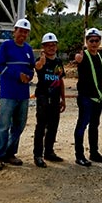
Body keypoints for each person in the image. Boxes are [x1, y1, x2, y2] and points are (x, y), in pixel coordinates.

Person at [0, 18, 35, 171]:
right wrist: (17, 75)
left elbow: (32, 69)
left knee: (19, 125)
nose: (22, 34)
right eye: (20, 31)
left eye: (25, 32)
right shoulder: (6, 46)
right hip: (8, 93)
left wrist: (29, 76)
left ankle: (10, 153)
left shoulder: (28, 50)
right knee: (4, 126)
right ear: (14, 31)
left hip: (23, 94)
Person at [73, 27, 102, 167]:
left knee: (94, 126)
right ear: (86, 42)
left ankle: (94, 152)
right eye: (91, 40)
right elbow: (78, 60)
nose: (94, 43)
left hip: (97, 98)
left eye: (96, 40)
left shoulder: (100, 57)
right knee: (82, 125)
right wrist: (77, 59)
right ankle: (79, 155)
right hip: (86, 98)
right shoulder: (83, 56)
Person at [33, 32, 66, 167]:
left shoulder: (58, 62)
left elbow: (61, 80)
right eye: (48, 45)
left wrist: (63, 99)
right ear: (43, 47)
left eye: (53, 45)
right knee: (41, 127)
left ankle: (49, 152)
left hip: (55, 98)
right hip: (43, 98)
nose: (51, 48)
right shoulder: (41, 60)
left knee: (53, 126)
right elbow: (38, 67)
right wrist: (41, 62)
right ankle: (38, 155)